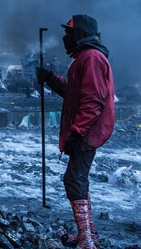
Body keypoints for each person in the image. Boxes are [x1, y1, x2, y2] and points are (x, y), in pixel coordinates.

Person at [35, 14, 115, 249]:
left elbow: (92, 101)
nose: (65, 38)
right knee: (78, 179)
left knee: (73, 180)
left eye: (69, 33)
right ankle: (87, 235)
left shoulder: (91, 58)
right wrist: (51, 79)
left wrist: (77, 132)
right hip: (87, 130)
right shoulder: (84, 58)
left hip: (88, 132)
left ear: (80, 35)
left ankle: (87, 240)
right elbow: (75, 93)